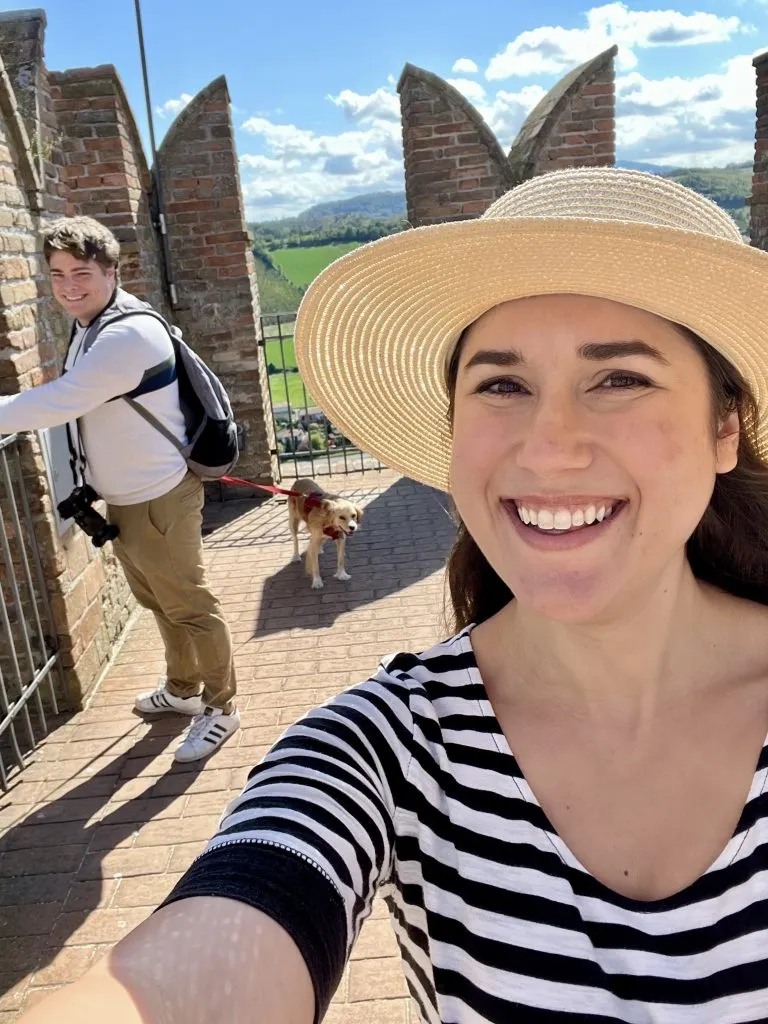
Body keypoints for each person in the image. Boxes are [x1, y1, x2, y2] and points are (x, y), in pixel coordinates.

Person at [18, 168, 768, 1022]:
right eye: (501, 385)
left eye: (620, 379)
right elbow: (216, 943)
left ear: (723, 428)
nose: (551, 446)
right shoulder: (380, 748)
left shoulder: (121, 337)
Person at [0, 216, 239, 762]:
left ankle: (223, 707)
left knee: (190, 604)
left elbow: (58, 402)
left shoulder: (126, 333)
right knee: (157, 600)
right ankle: (182, 689)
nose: (68, 286)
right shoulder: (90, 326)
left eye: (81, 272)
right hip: (129, 497)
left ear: (111, 271)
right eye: (57, 273)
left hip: (159, 496)